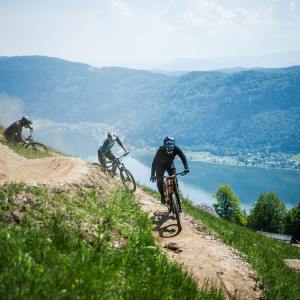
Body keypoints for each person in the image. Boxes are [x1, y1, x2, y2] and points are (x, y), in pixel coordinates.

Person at [150, 136, 189, 204]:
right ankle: (162, 196)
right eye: (168, 150)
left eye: (171, 150)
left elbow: (183, 157)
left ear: (174, 146)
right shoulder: (161, 150)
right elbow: (154, 162)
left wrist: (186, 167)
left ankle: (176, 195)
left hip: (170, 165)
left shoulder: (176, 148)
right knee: (159, 181)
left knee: (174, 179)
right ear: (165, 146)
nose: (170, 152)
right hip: (160, 166)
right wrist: (152, 174)